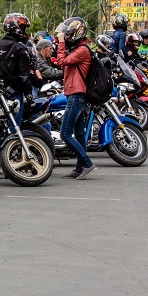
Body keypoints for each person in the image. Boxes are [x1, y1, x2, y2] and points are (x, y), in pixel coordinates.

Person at [0, 13, 33, 178]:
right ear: (17, 28)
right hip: (14, 96)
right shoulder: (21, 48)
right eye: (24, 27)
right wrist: (28, 95)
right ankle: (12, 163)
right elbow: (25, 76)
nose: (25, 30)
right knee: (13, 130)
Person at [53, 17, 96, 180]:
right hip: (75, 94)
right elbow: (63, 64)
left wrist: (61, 42)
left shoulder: (82, 50)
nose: (67, 37)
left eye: (70, 35)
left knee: (65, 134)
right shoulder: (78, 49)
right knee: (79, 134)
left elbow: (61, 61)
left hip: (77, 96)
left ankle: (87, 162)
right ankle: (79, 168)